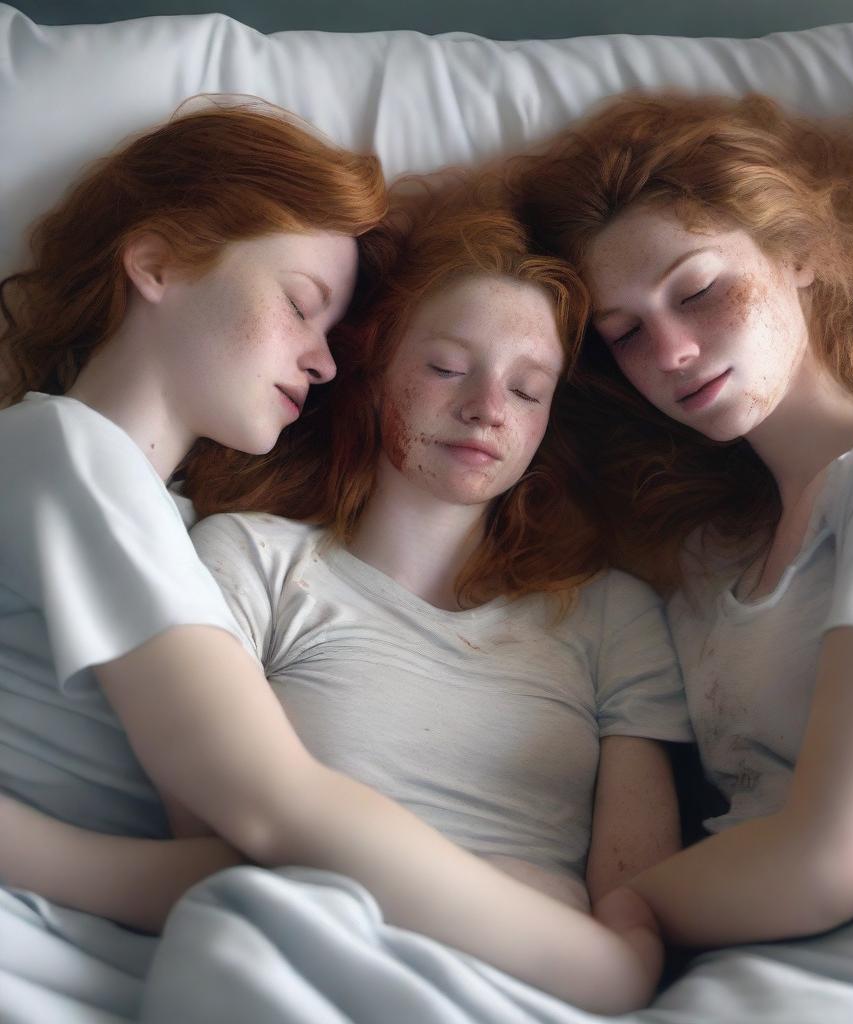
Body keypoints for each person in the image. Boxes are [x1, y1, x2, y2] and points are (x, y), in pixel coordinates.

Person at [0, 153, 678, 1012]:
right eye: (443, 367)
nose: (487, 409)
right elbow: (254, 824)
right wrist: (590, 953)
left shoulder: (613, 615)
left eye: (530, 389)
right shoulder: (210, 537)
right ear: (376, 372)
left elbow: (642, 899)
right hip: (306, 945)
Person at [509, 90, 853, 1012]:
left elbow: (830, 858)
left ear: (804, 254)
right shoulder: (706, 562)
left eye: (699, 290)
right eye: (625, 335)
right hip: (768, 960)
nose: (669, 350)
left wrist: (601, 919)